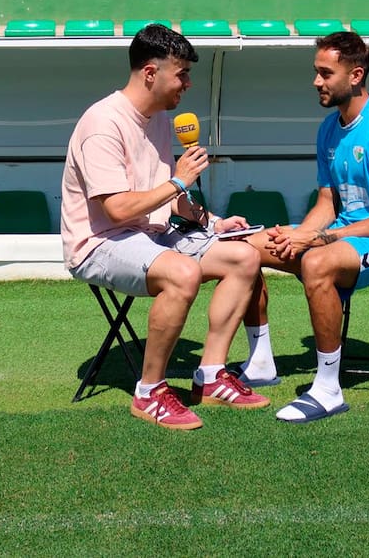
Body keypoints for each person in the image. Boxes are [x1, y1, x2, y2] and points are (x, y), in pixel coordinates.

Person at [60, 24, 269, 431]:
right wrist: (178, 182)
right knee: (183, 271)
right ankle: (149, 391)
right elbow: (119, 209)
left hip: (151, 234)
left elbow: (162, 194)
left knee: (244, 256)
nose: (188, 84)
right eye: (182, 74)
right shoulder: (102, 123)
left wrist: (212, 221)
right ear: (151, 74)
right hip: (100, 242)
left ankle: (209, 377)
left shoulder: (157, 116)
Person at [240, 31, 369, 423]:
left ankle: (328, 388)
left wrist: (313, 241)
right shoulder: (328, 129)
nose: (316, 81)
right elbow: (327, 203)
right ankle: (261, 361)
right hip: (342, 234)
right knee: (246, 248)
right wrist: (296, 236)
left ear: (355, 75)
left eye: (325, 73)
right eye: (316, 72)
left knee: (317, 264)